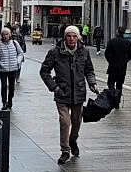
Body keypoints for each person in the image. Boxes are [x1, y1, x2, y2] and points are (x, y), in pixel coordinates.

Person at [40, 25, 98, 164]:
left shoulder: (83, 51)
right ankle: (65, 150)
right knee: (65, 121)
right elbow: (44, 71)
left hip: (78, 93)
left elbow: (89, 70)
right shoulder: (55, 52)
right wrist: (54, 87)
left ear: (78, 37)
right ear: (64, 37)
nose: (71, 39)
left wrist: (92, 83)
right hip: (62, 93)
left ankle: (73, 141)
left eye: (74, 36)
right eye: (69, 36)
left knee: (77, 121)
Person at [0, 27, 25, 110]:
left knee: (11, 87)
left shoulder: (14, 43)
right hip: (3, 69)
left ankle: (10, 100)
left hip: (13, 69)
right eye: (3, 35)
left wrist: (18, 61)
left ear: (9, 35)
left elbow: (20, 53)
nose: (5, 36)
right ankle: (4, 102)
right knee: (3, 86)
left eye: (7, 34)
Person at [104, 26, 131, 93]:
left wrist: (110, 61)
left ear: (117, 32)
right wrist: (125, 60)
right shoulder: (127, 42)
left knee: (110, 83)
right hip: (122, 66)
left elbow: (106, 53)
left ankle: (112, 97)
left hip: (113, 66)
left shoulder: (112, 41)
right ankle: (117, 99)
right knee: (119, 84)